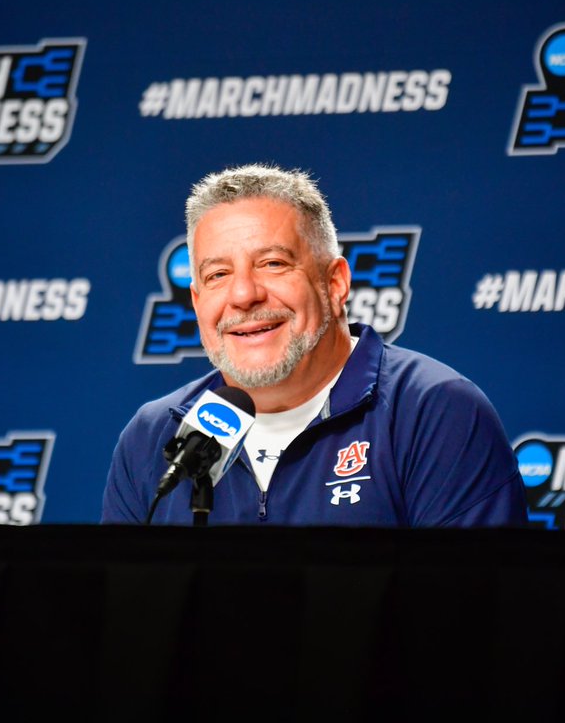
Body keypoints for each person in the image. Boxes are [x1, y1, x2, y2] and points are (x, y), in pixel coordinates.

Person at [102, 163, 527, 527]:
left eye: (272, 264)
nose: (244, 294)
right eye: (218, 275)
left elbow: (475, 612)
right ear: (197, 302)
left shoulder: (432, 411)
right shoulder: (153, 436)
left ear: (335, 283)